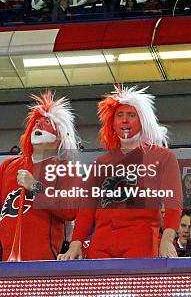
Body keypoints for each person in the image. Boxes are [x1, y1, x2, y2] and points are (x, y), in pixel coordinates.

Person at [60, 85, 183, 259]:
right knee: (100, 286)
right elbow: (86, 209)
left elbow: (174, 202)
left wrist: (167, 239)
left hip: (140, 239)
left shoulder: (162, 157)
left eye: (131, 115)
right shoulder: (100, 163)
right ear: (112, 123)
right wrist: (75, 243)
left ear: (143, 120)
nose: (124, 120)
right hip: (101, 242)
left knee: (135, 285)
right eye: (119, 115)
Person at [0, 91, 79, 261]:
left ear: (60, 136)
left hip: (43, 260)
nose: (38, 126)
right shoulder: (8, 165)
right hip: (5, 258)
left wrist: (35, 187)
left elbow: (70, 211)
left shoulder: (66, 168)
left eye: (46, 122)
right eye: (36, 122)